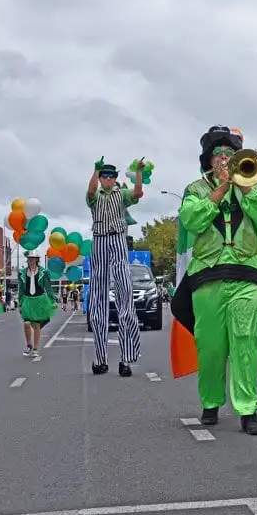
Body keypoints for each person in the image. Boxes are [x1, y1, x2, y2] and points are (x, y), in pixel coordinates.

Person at [172, 126, 257, 434]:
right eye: (218, 154)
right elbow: (192, 220)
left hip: (247, 273)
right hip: (207, 276)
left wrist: (244, 187)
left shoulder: (252, 185)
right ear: (208, 160)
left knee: (245, 342)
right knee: (211, 346)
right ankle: (211, 402)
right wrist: (219, 190)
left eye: (230, 154)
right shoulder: (195, 189)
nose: (224, 159)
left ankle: (248, 409)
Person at [86, 156, 144, 377]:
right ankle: (101, 359)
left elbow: (138, 194)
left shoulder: (122, 194)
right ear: (101, 179)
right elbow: (90, 192)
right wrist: (95, 170)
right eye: (105, 176)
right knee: (98, 297)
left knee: (125, 293)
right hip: (100, 238)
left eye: (112, 176)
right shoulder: (95, 195)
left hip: (119, 238)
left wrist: (138, 172)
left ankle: (126, 359)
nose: (109, 179)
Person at [19, 252, 57, 358]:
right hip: (27, 300)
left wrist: (52, 300)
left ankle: (35, 348)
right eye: (29, 258)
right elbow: (21, 289)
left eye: (33, 258)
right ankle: (28, 345)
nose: (31, 260)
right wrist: (20, 303)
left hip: (39, 300)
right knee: (26, 323)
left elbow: (48, 288)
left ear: (37, 259)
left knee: (37, 325)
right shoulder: (22, 272)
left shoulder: (43, 272)